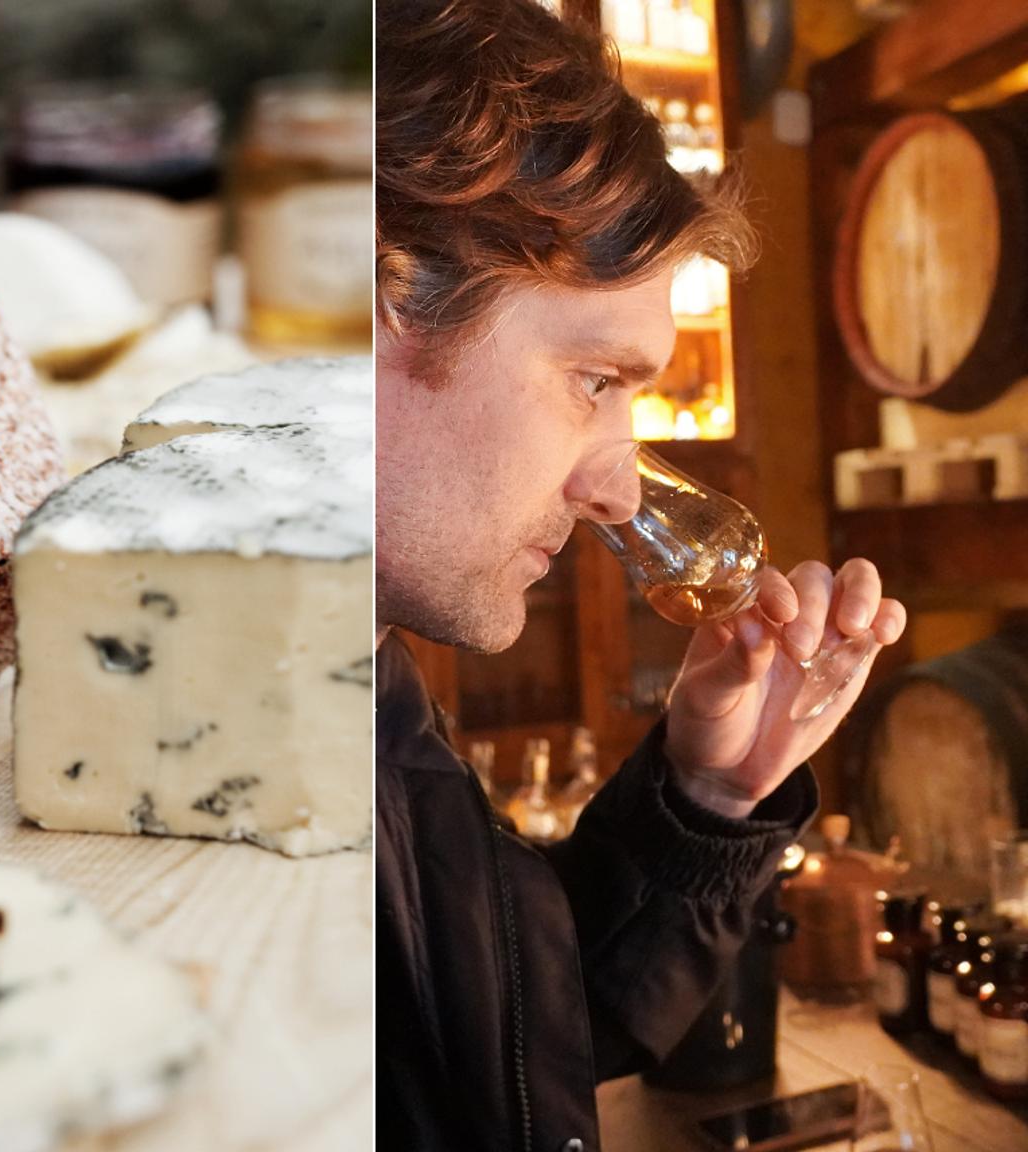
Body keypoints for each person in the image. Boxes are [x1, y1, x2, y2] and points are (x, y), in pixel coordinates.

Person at [374, 2, 907, 1149]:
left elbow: (516, 1039)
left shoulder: (360, 683)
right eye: (595, 380)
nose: (617, 490)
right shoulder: (179, 744)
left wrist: (706, 797)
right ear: (384, 299)